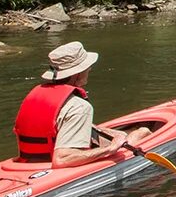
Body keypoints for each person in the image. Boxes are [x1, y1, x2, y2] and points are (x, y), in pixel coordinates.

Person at [13, 42, 152, 167]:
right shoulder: (79, 107)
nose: (90, 69)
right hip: (57, 161)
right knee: (143, 132)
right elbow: (61, 159)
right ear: (77, 74)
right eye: (87, 67)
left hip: (29, 161)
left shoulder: (37, 95)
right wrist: (111, 148)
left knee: (120, 133)